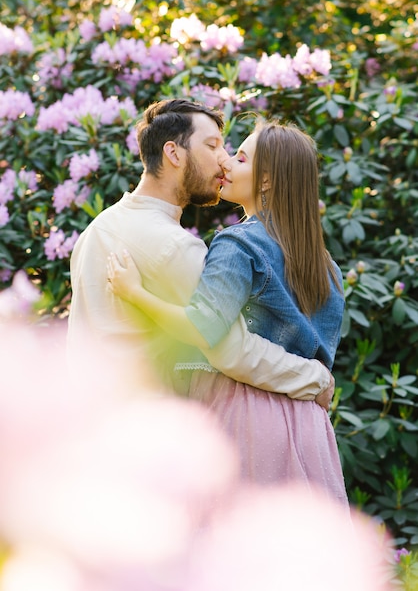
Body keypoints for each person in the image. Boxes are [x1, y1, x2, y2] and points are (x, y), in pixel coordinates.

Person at [107, 117, 348, 506]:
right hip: (309, 423)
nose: (226, 164)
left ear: (266, 181)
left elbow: (204, 328)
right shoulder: (326, 267)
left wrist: (135, 294)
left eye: (239, 157)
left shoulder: (239, 243)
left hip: (246, 412)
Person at [68, 98, 334, 408]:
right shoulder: (173, 246)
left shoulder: (96, 230)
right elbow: (232, 350)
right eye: (212, 146)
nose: (224, 160)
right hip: (152, 425)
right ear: (173, 153)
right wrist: (315, 379)